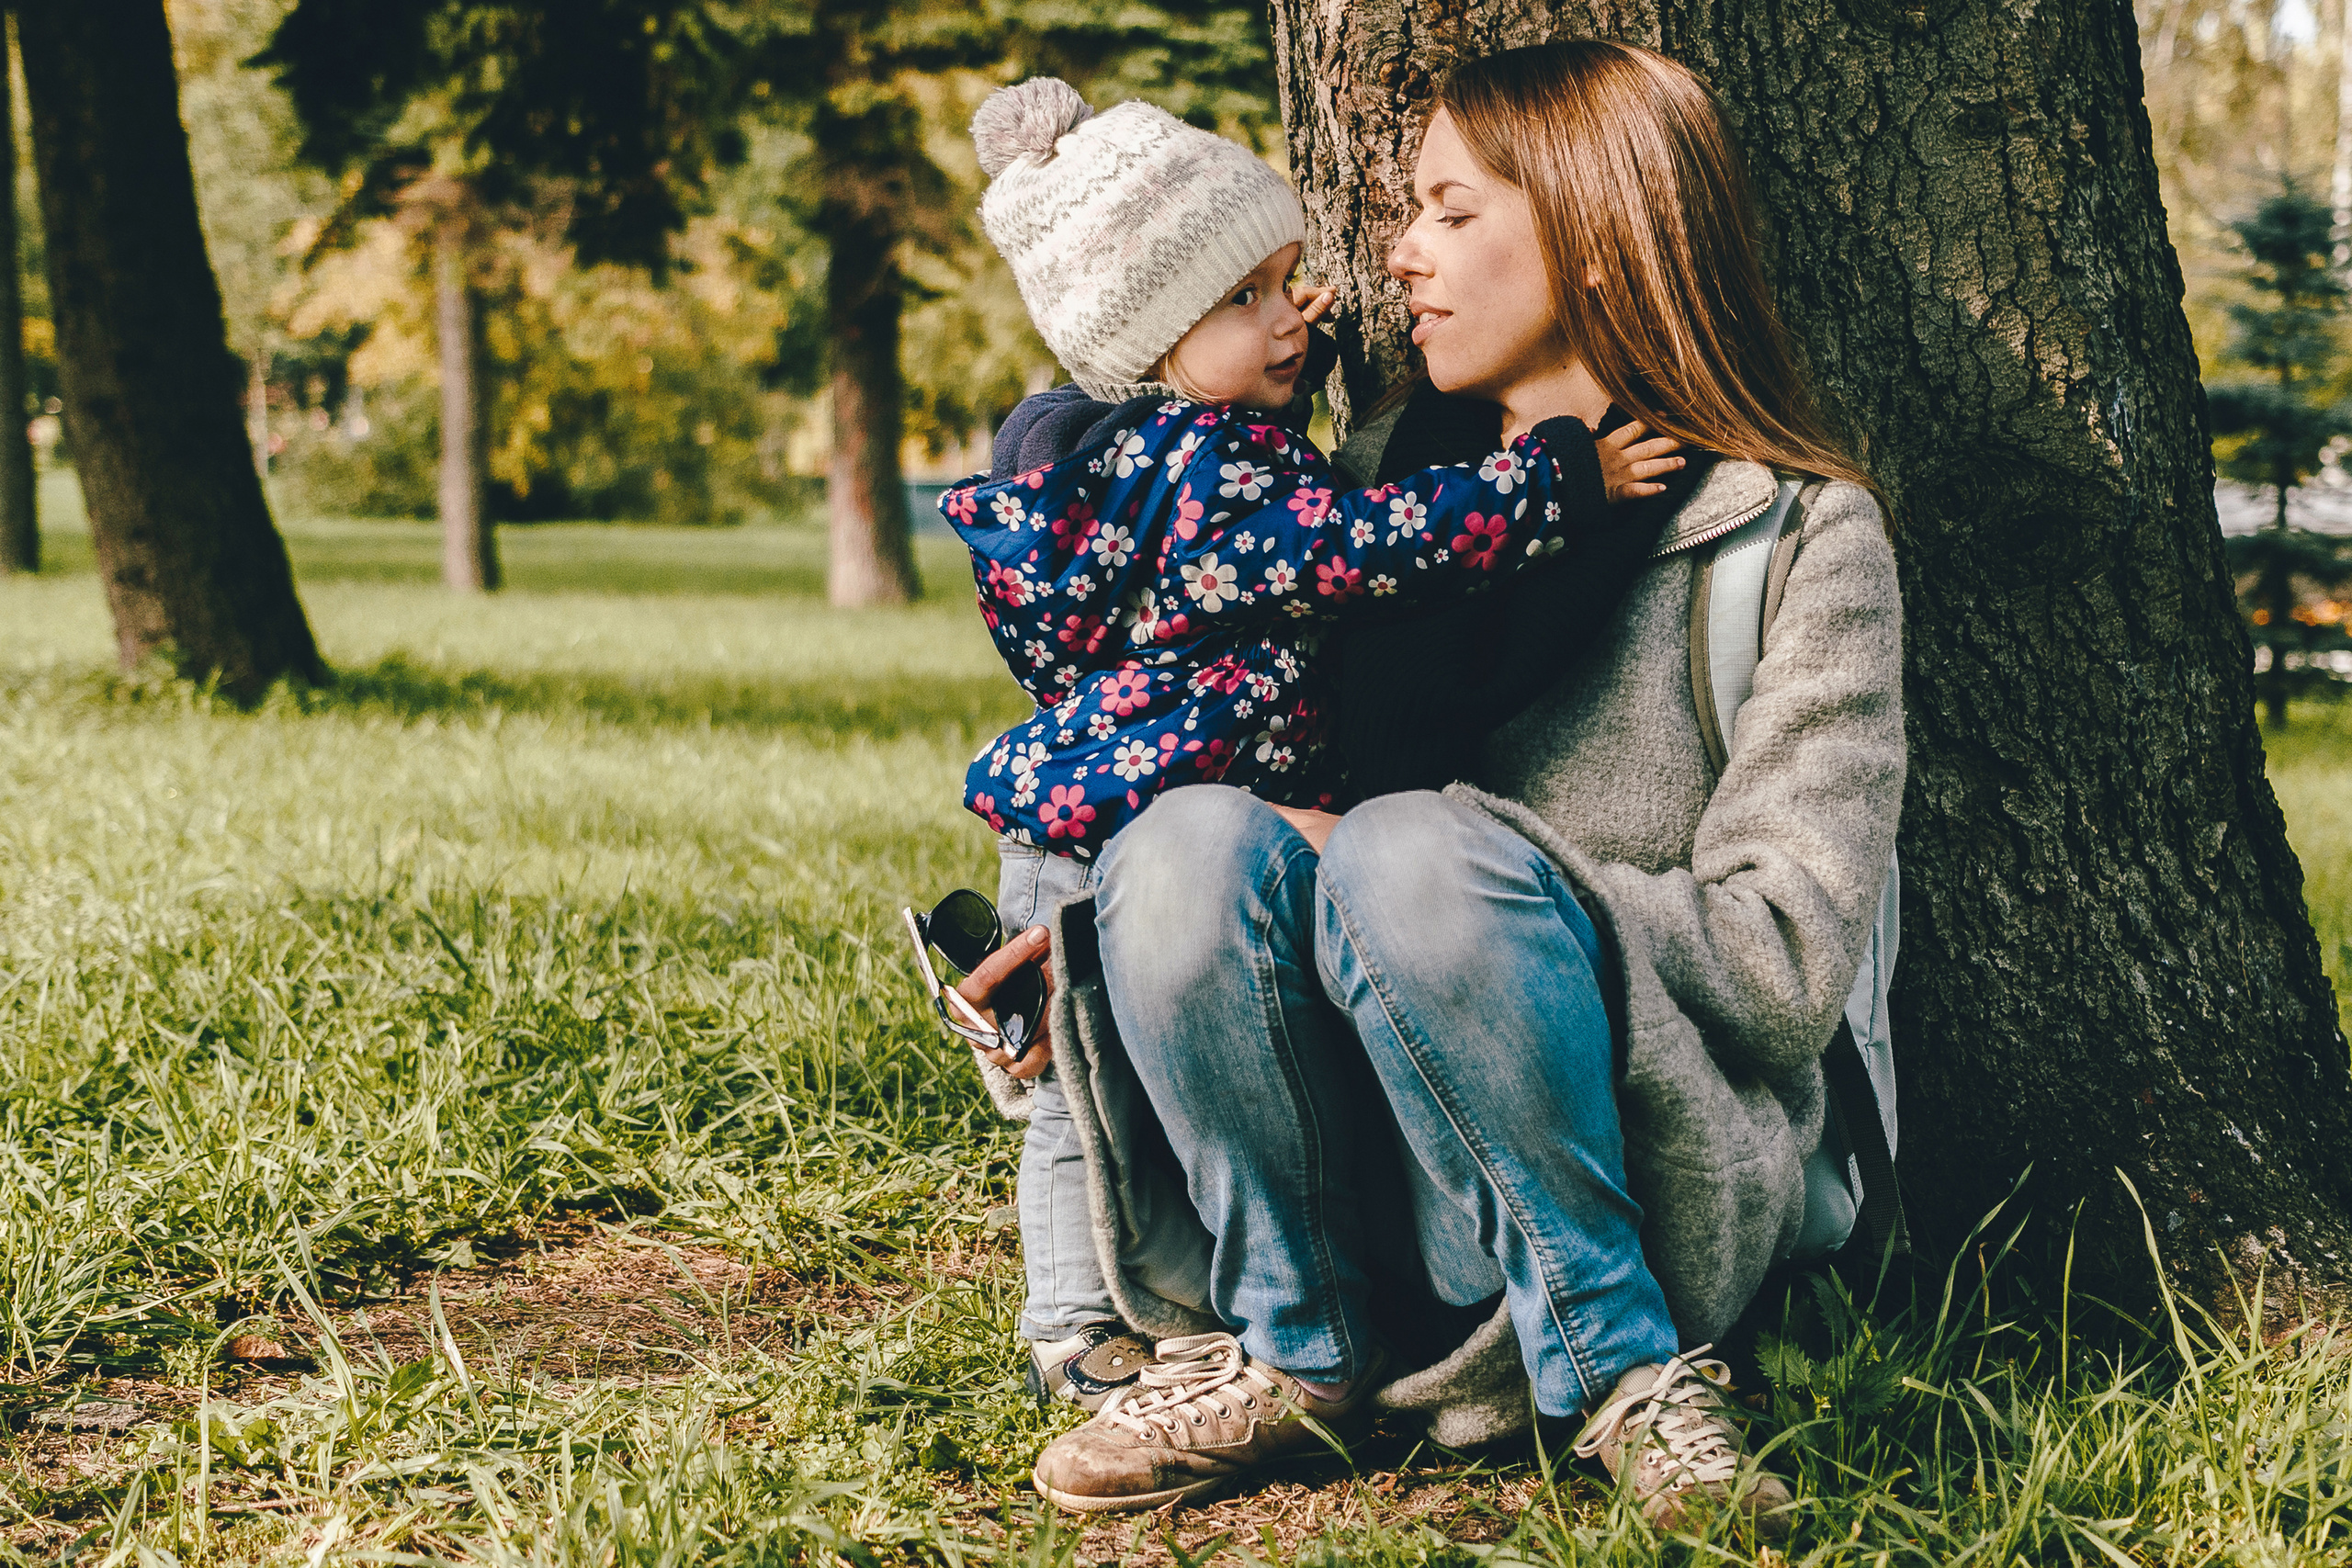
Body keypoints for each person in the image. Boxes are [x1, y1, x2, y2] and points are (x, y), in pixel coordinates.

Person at [956, 37, 1905, 1532]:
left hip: (1646, 1189)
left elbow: (1789, 966)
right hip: (1371, 1205)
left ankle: (1624, 1379)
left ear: (1601, 229)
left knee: (1408, 850)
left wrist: (1451, 866)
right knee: (1192, 837)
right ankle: (1291, 1352)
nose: (1393, 256)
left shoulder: (1788, 537)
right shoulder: (1365, 499)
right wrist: (1095, 947)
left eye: (1452, 213)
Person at [943, 75, 1685, 1411]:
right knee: (1074, 1083)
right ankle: (1069, 1325)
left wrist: (1276, 336)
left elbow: (1250, 430)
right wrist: (1556, 477)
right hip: (1115, 815)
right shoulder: (1223, 484)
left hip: (1146, 793)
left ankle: (1170, 1315)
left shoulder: (1181, 455)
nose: (1299, 318)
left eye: (1292, 285)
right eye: (1251, 300)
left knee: (1087, 1072)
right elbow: (1367, 542)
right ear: (1162, 340)